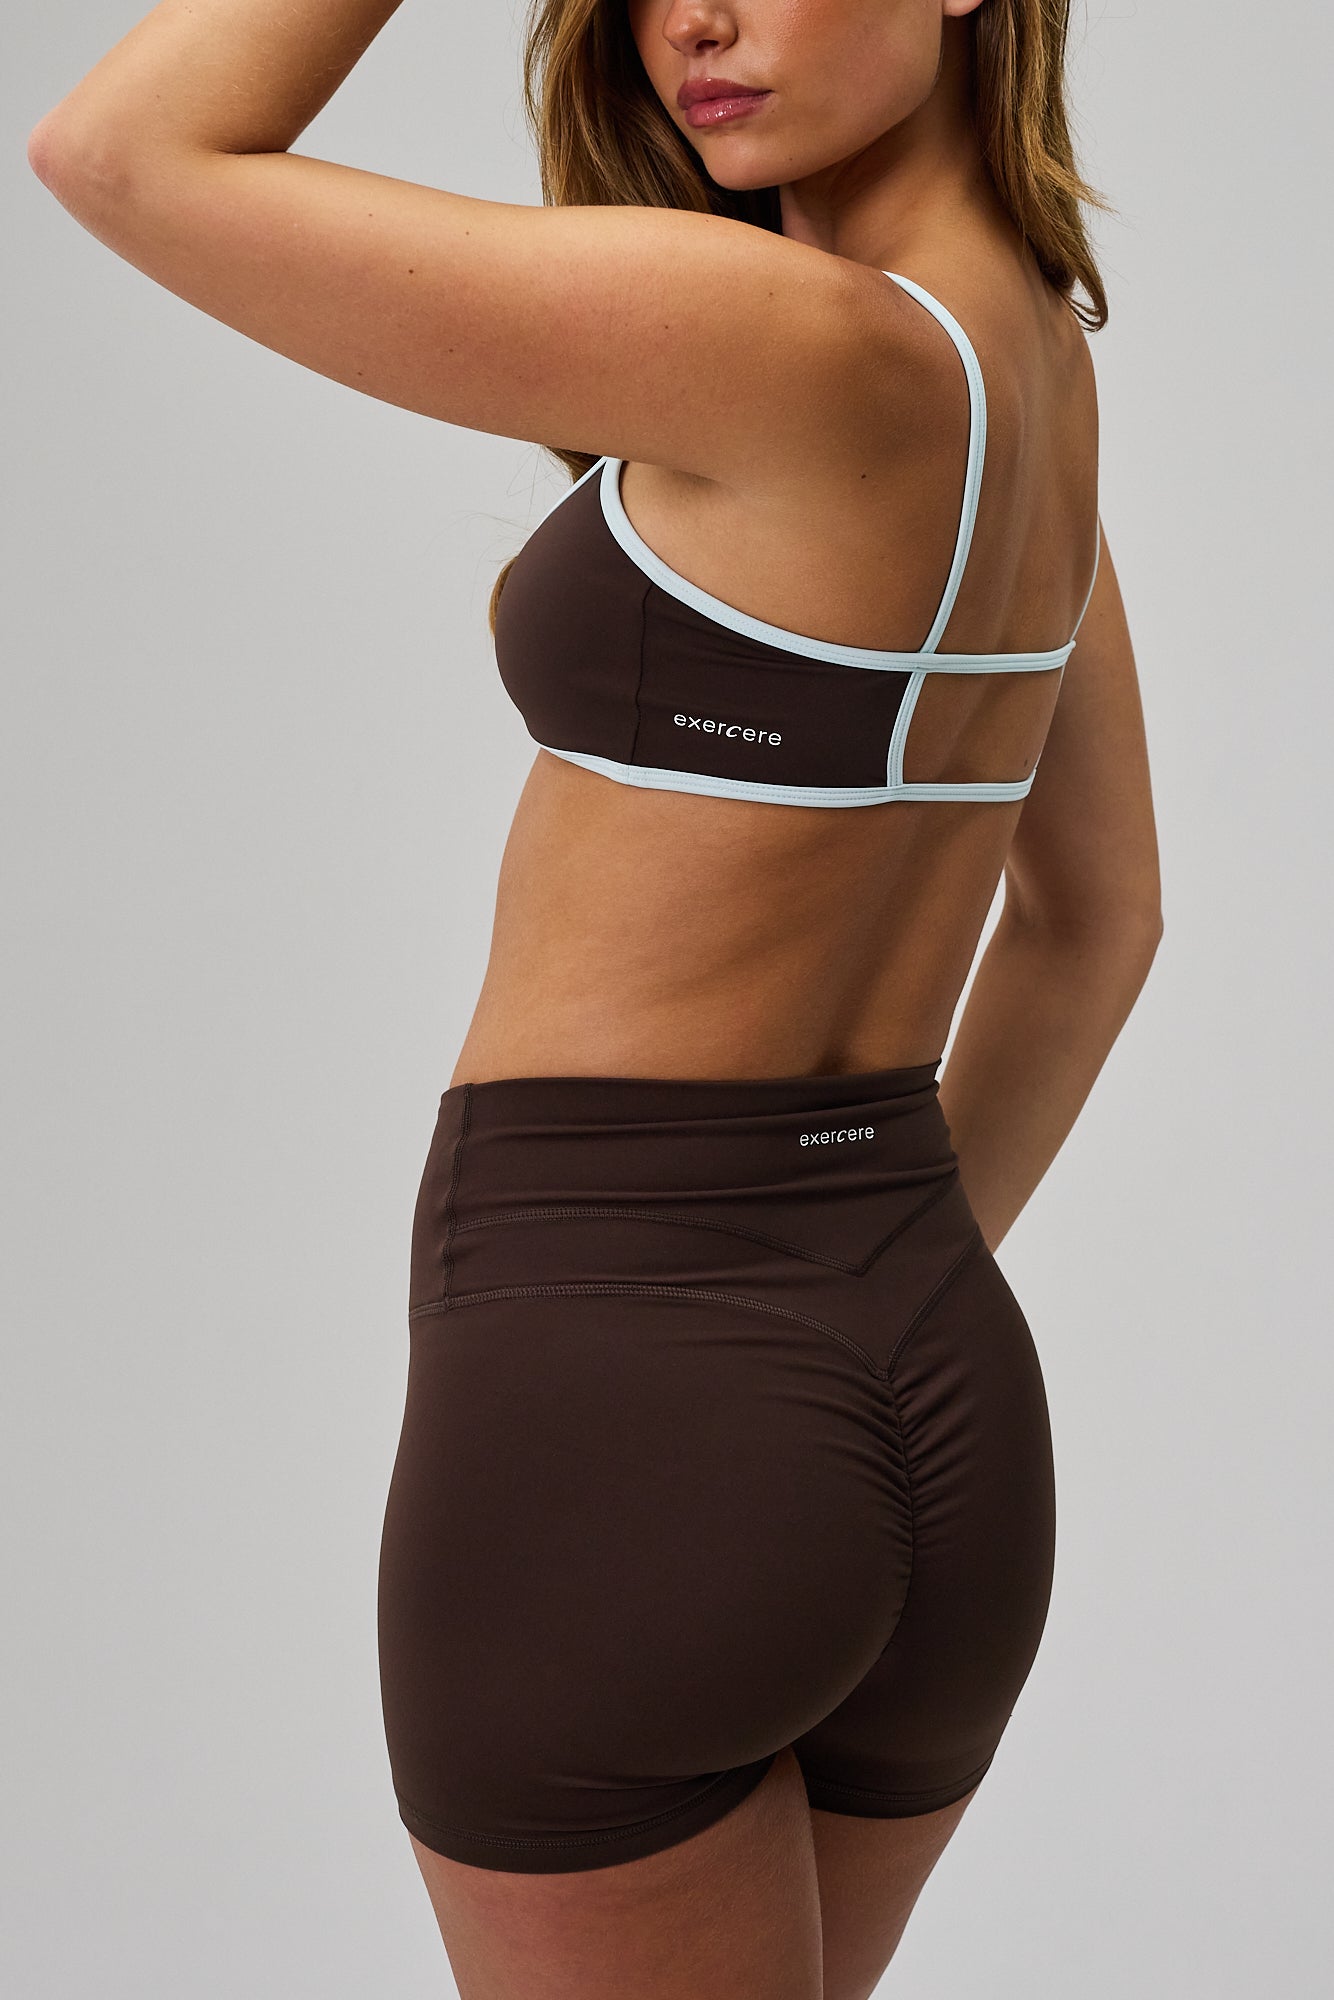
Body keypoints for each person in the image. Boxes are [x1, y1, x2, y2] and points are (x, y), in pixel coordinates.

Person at [29, 2, 1161, 1993]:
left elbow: (122, 152)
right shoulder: (1033, 373)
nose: (690, 18)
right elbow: (1100, 920)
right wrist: (831, 1325)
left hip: (622, 1411)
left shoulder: (783, 335)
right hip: (938, 1390)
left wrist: (719, 1380)